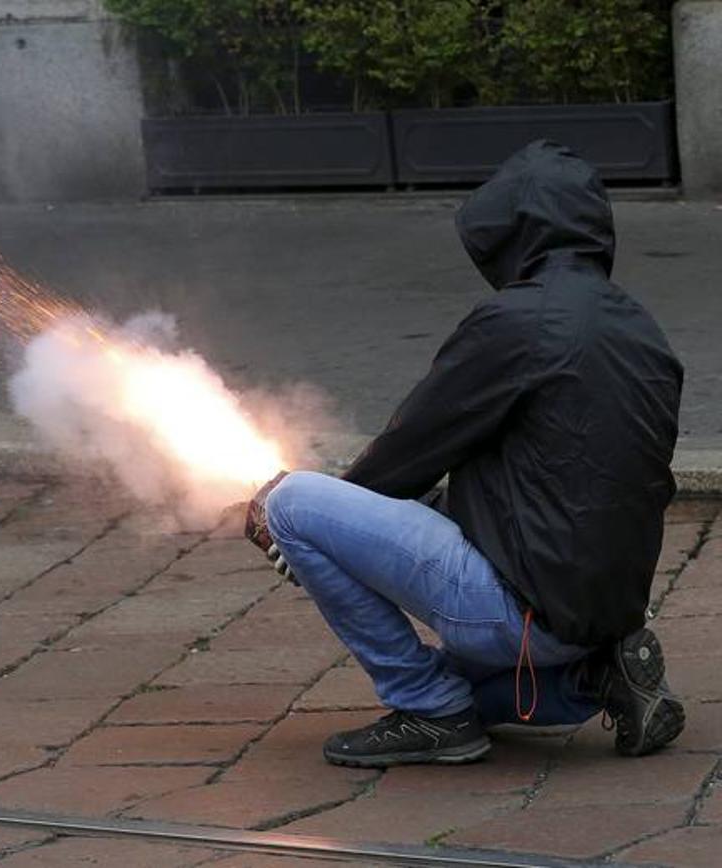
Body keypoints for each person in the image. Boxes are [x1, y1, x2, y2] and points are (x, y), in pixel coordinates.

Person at [245, 140, 684, 768]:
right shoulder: (640, 326)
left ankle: (427, 708)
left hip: (522, 610)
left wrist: (317, 530)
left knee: (293, 502)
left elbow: (408, 452)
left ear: (514, 231)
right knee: (467, 682)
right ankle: (594, 677)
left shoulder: (517, 321)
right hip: (598, 612)